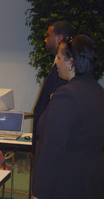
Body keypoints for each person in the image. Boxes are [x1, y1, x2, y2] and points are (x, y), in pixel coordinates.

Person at [32, 35, 104, 199]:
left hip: (65, 184)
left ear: (71, 62)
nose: (56, 62)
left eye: (58, 57)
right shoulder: (98, 92)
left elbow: (53, 150)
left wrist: (39, 193)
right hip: (92, 182)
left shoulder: (66, 95)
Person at [32, 21, 74, 154]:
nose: (45, 40)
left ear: (59, 38)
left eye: (48, 36)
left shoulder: (64, 74)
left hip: (50, 146)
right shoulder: (56, 67)